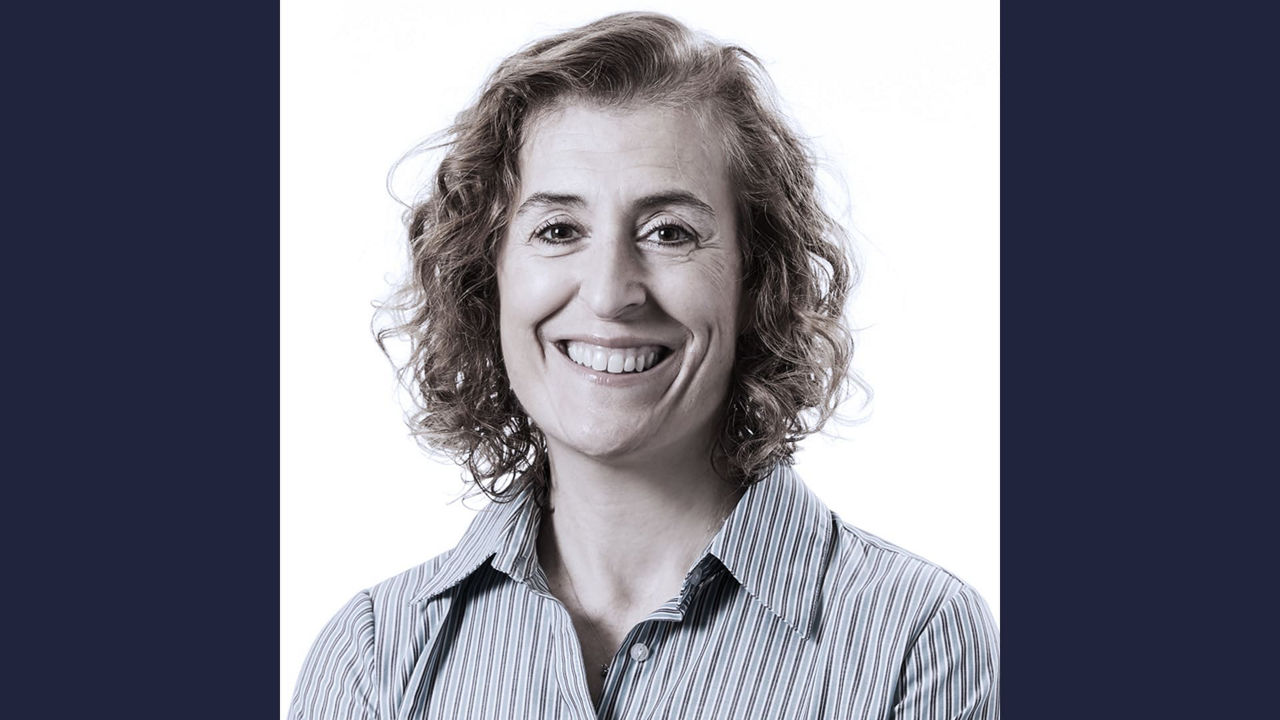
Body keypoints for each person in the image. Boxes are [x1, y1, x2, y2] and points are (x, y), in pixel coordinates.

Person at [289, 12, 998, 719]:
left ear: (758, 280)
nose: (609, 293)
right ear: (488, 276)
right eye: (559, 230)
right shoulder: (374, 658)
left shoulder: (913, 639)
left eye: (670, 232)